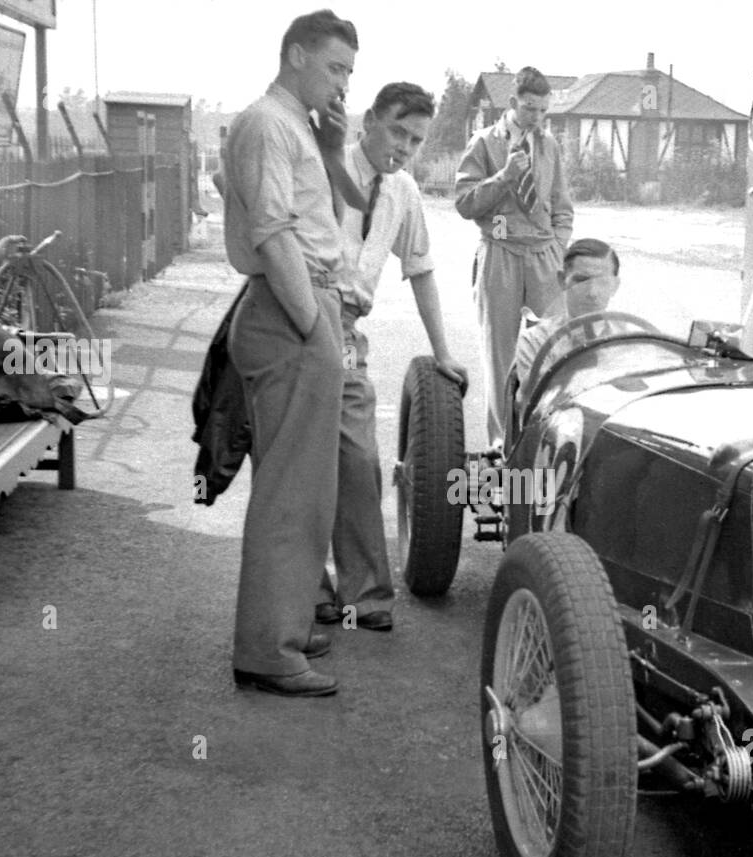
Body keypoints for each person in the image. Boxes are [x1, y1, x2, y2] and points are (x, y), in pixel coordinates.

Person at [220, 9, 358, 698]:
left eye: (348, 73)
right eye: (334, 68)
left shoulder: (295, 126)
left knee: (308, 489)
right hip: (291, 311)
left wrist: (333, 146)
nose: (342, 83)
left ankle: (289, 621)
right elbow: (274, 233)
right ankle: (268, 650)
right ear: (296, 55)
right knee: (288, 492)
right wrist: (315, 326)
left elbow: (318, 210)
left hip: (304, 305)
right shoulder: (268, 123)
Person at [314, 82, 469, 633]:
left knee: (358, 458)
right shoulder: (321, 164)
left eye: (417, 140)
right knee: (299, 461)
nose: (404, 147)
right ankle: (309, 591)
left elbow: (421, 268)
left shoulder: (402, 191)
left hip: (346, 329)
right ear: (371, 120)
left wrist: (443, 353)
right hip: (301, 316)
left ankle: (366, 596)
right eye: (398, 132)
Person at [455, 66, 573, 446]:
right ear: (512, 103)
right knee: (500, 360)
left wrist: (558, 247)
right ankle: (500, 451)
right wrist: (504, 176)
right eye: (529, 109)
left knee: (553, 354)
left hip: (543, 257)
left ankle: (546, 445)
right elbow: (465, 203)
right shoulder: (484, 142)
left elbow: (562, 207)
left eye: (543, 111)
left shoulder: (550, 146)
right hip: (501, 250)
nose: (536, 118)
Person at [509, 237, 624, 424]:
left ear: (614, 286)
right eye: (581, 281)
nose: (592, 292)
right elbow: (531, 406)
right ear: (562, 280)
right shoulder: (536, 340)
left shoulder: (628, 339)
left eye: (602, 282)